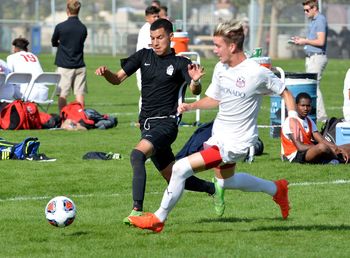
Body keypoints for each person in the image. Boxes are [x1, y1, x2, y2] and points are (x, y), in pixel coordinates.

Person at [128, 20, 297, 233]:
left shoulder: (257, 72)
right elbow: (214, 99)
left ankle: (158, 219)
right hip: (219, 135)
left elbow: (285, 92)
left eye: (218, 46)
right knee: (227, 182)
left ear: (232, 46)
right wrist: (191, 106)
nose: (214, 50)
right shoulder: (220, 68)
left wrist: (292, 117)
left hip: (237, 142)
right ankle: (277, 188)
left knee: (180, 168)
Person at [95, 19, 224, 225]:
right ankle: (213, 189)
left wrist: (196, 80)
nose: (155, 43)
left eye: (160, 38)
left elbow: (195, 90)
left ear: (171, 37)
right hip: (146, 124)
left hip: (167, 124)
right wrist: (106, 73)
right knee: (173, 176)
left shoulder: (181, 63)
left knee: (137, 155)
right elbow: (117, 79)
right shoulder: (143, 56)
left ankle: (137, 210)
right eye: (153, 39)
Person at [281, 92, 350, 164]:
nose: (305, 108)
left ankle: (335, 159)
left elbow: (322, 140)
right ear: (296, 106)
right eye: (303, 105)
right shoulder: (291, 121)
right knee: (322, 147)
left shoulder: (309, 120)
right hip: (295, 155)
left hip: (310, 150)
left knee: (346, 146)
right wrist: (330, 149)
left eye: (308, 106)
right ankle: (339, 160)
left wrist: (337, 148)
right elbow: (300, 147)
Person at [292, 0, 328, 122]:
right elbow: (313, 39)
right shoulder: (314, 21)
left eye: (307, 10)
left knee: (314, 86)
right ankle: (318, 115)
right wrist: (301, 40)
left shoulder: (320, 20)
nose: (306, 13)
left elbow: (321, 41)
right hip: (311, 57)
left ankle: (322, 117)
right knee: (313, 85)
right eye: (304, 10)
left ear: (314, 8)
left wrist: (305, 41)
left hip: (317, 57)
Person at [51, 0, 87, 111]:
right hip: (80, 65)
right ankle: (81, 117)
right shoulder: (83, 28)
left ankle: (63, 117)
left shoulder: (60, 27)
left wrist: (61, 45)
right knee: (79, 94)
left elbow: (53, 42)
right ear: (78, 10)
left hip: (64, 66)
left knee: (63, 94)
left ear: (67, 10)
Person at [6, 37, 48, 102]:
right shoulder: (34, 56)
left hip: (27, 94)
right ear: (27, 49)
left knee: (7, 86)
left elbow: (9, 77)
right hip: (43, 94)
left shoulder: (11, 57)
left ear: (15, 49)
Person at [136, 6, 160, 92]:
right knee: (146, 92)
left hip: (153, 64)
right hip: (145, 64)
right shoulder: (145, 30)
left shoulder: (155, 29)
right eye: (154, 16)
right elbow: (151, 46)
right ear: (147, 18)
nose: (157, 18)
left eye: (158, 16)